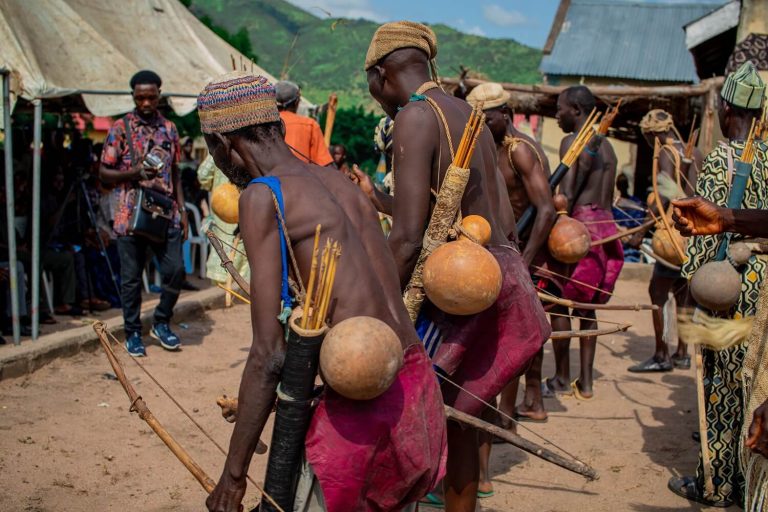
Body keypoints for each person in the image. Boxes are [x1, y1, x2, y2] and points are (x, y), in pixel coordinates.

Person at [198, 72, 446, 512]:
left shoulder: (263, 197)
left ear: (221, 143)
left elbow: (268, 355)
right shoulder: (338, 182)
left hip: (363, 408)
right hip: (416, 389)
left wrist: (233, 478)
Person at [356, 21, 549, 511]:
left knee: (401, 407)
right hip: (496, 275)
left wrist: (374, 309)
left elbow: (406, 238)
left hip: (459, 287)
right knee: (462, 423)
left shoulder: (416, 115)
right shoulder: (468, 112)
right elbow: (498, 218)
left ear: (380, 74)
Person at [667, 61, 767, 508]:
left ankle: (717, 482)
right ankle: (748, 479)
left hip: (727, 287)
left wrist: (695, 286)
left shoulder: (721, 159)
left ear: (726, 109)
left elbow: (703, 241)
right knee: (753, 384)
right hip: (763, 286)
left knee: (722, 387)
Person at [466, 81, 558, 497]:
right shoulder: (491, 149)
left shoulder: (519, 150)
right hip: (507, 252)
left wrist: (525, 258)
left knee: (510, 345)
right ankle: (505, 417)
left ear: (504, 114)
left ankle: (507, 416)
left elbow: (546, 210)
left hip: (522, 256)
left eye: (486, 120)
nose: (481, 127)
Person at [99, 70, 187, 357]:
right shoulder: (120, 128)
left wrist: (183, 210)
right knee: (131, 278)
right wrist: (134, 172)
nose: (146, 103)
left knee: (175, 270)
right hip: (130, 213)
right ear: (133, 97)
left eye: (151, 97)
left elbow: (175, 171)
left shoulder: (170, 128)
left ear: (159, 95)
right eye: (140, 98)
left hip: (166, 213)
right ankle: (133, 332)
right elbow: (103, 172)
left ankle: (161, 322)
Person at [545, 85, 623, 400]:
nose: (556, 115)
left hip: (580, 231)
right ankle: (586, 383)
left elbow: (565, 195)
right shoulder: (608, 147)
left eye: (560, 109)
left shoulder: (573, 142)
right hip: (605, 227)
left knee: (559, 301)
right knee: (587, 307)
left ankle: (562, 377)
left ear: (576, 110)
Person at [627, 109, 703, 373]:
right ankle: (682, 353)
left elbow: (667, 195)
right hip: (693, 234)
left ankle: (662, 355)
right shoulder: (695, 153)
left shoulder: (667, 152)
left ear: (652, 134)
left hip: (673, 235)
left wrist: (640, 231)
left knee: (657, 293)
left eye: (648, 139)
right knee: (683, 292)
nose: (650, 145)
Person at [197, 154, 251, 286]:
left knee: (223, 258)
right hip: (249, 210)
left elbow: (203, 176)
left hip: (224, 215)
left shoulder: (218, 150)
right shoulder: (253, 148)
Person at [275, 80, 334, 167]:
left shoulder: (261, 124)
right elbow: (324, 165)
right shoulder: (310, 125)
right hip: (300, 175)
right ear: (296, 102)